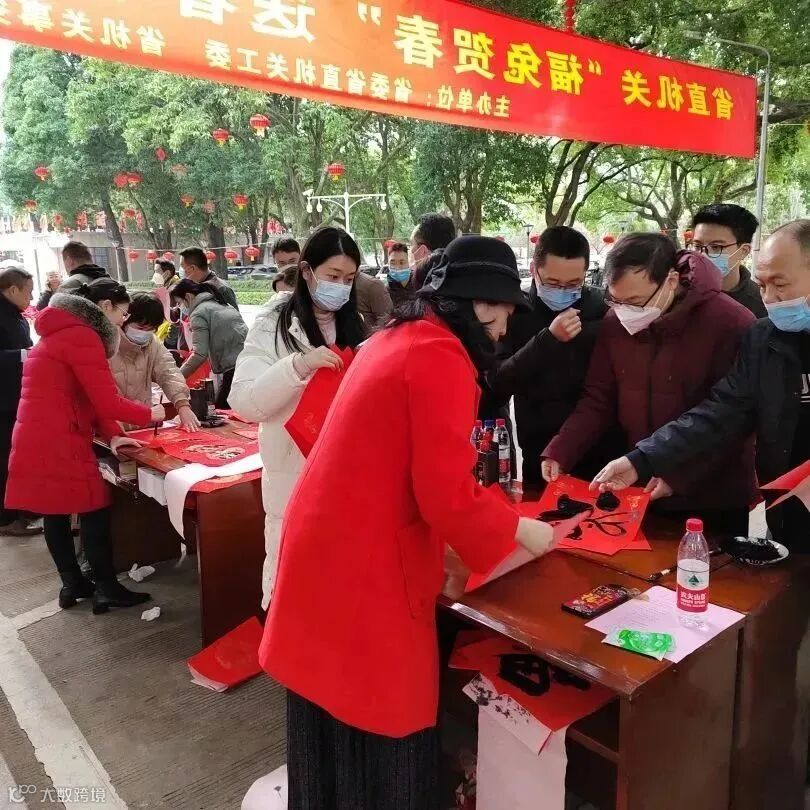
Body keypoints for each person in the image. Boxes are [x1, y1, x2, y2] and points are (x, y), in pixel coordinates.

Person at [261, 235, 556, 807]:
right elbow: (445, 496)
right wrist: (519, 529)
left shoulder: (394, 338)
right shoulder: (438, 356)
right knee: (382, 714)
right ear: (478, 304)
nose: (502, 332)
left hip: (328, 547)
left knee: (325, 713)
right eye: (501, 315)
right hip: (365, 565)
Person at [593, 220, 810, 549]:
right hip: (790, 515)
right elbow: (721, 414)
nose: (769, 298)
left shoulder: (727, 320)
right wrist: (642, 460)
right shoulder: (764, 339)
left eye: (780, 284)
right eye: (762, 285)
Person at [542, 232, 757, 536]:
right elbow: (599, 397)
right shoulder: (615, 322)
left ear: (671, 280)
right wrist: (562, 448)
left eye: (634, 302)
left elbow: (730, 419)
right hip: (642, 482)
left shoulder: (731, 322)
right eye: (615, 301)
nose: (624, 312)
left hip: (713, 494)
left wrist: (674, 473)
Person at [229, 226, 368, 610]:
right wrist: (298, 367)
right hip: (293, 480)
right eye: (333, 276)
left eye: (349, 279)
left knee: (342, 596)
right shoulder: (272, 326)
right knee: (297, 594)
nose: (341, 287)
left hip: (347, 481)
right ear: (306, 271)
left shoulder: (354, 325)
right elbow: (245, 402)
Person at [5, 278, 163, 612]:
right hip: (60, 437)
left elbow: (87, 397)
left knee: (55, 511)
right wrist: (151, 414)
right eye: (122, 313)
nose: (123, 320)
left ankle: (73, 583)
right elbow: (106, 400)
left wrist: (113, 434)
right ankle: (106, 586)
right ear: (105, 307)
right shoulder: (83, 336)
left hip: (36, 434)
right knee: (94, 507)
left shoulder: (59, 331)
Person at [489, 226, 622, 488]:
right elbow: (499, 383)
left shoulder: (602, 310)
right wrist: (547, 340)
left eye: (573, 284)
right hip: (538, 450)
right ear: (534, 269)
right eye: (552, 283)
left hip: (598, 450)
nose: (562, 291)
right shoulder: (515, 312)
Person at [109, 293, 200, 431]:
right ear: (125, 320)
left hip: (143, 425)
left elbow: (168, 373)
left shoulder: (153, 343)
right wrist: (111, 429)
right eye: (140, 328)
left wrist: (183, 405)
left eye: (150, 329)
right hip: (111, 427)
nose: (145, 333)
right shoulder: (106, 343)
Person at [0, 262, 40, 536]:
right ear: (12, 289)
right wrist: (25, 355)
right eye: (28, 291)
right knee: (5, 459)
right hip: (3, 402)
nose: (32, 297)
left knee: (19, 457)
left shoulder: (15, 315)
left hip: (17, 397)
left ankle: (23, 509)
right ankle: (6, 519)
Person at [170, 279, 248, 408]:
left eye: (179, 303)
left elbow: (199, 354)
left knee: (223, 409)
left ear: (188, 297)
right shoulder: (221, 304)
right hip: (245, 362)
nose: (179, 307)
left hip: (234, 367)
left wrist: (176, 378)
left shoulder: (199, 313)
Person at [690, 203, 766, 318]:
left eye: (716, 247)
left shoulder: (763, 304)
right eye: (697, 246)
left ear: (743, 251)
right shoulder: (675, 294)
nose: (703, 255)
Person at [179, 246, 239, 310]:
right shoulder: (194, 286)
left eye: (183, 267)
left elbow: (233, 316)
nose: (182, 271)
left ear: (192, 268)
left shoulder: (221, 289)